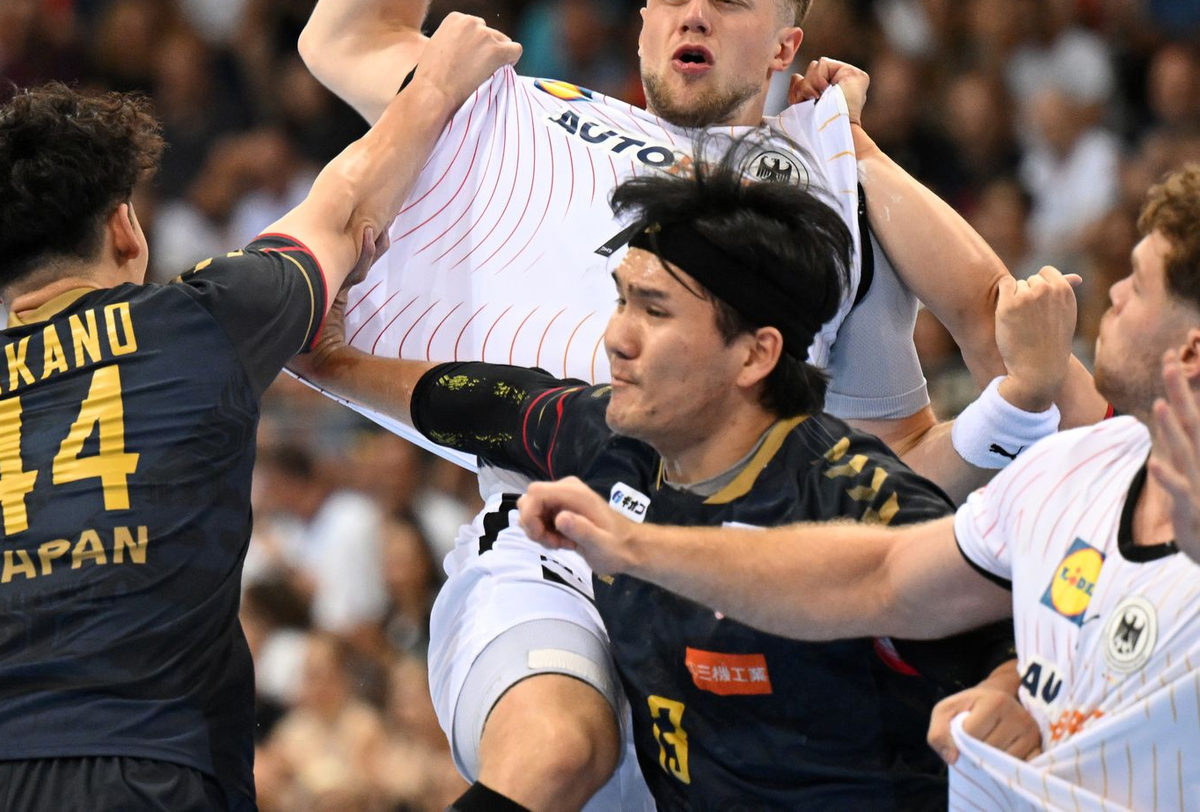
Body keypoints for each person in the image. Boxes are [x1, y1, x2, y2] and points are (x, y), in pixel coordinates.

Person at [298, 0, 1105, 811]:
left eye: (727, 0)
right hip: (551, 528)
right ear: (639, 25)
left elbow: (988, 362)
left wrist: (852, 150)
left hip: (747, 583)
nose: (692, 10)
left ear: (784, 45)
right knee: (555, 751)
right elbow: (343, 36)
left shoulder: (826, 200)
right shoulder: (527, 113)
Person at [292, 143, 1021, 810]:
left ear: (755, 354)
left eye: (654, 309)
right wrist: (331, 363)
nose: (616, 336)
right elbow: (486, 403)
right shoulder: (617, 442)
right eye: (620, 297)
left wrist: (1008, 688)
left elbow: (1016, 628)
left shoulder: (856, 497)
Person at [518, 164, 1200, 811]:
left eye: (1136, 285)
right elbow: (878, 575)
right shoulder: (1072, 470)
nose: (1109, 292)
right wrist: (637, 546)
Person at [0, 11, 519, 811]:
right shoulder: (199, 320)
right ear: (124, 230)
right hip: (153, 768)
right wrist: (441, 77)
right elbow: (346, 204)